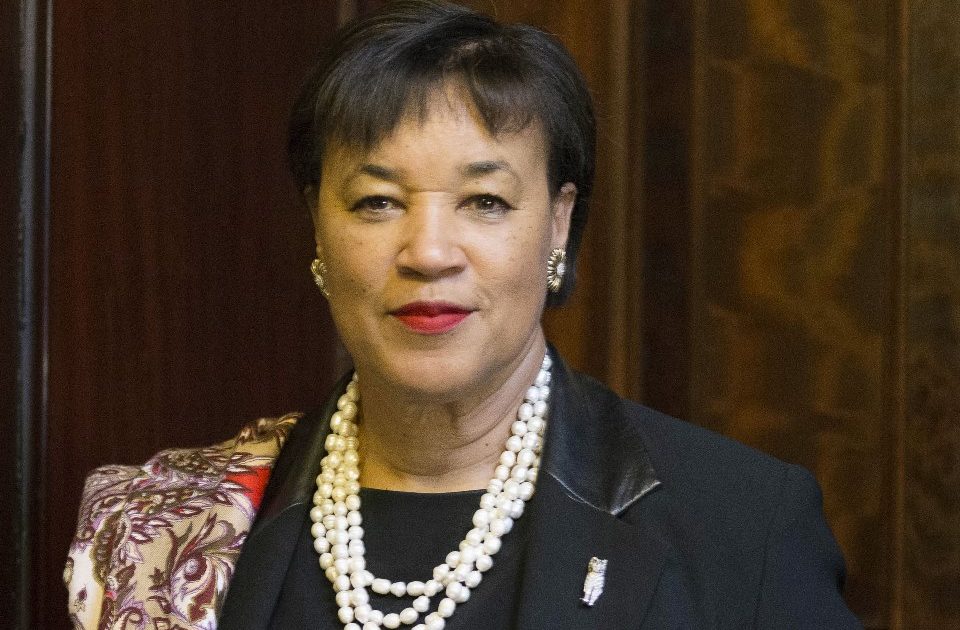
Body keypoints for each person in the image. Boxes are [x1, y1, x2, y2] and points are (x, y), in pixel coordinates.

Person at [65, 2, 863, 628]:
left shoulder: (742, 525)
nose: (429, 252)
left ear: (557, 223)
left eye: (485, 201)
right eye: (377, 202)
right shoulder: (171, 530)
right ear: (318, 229)